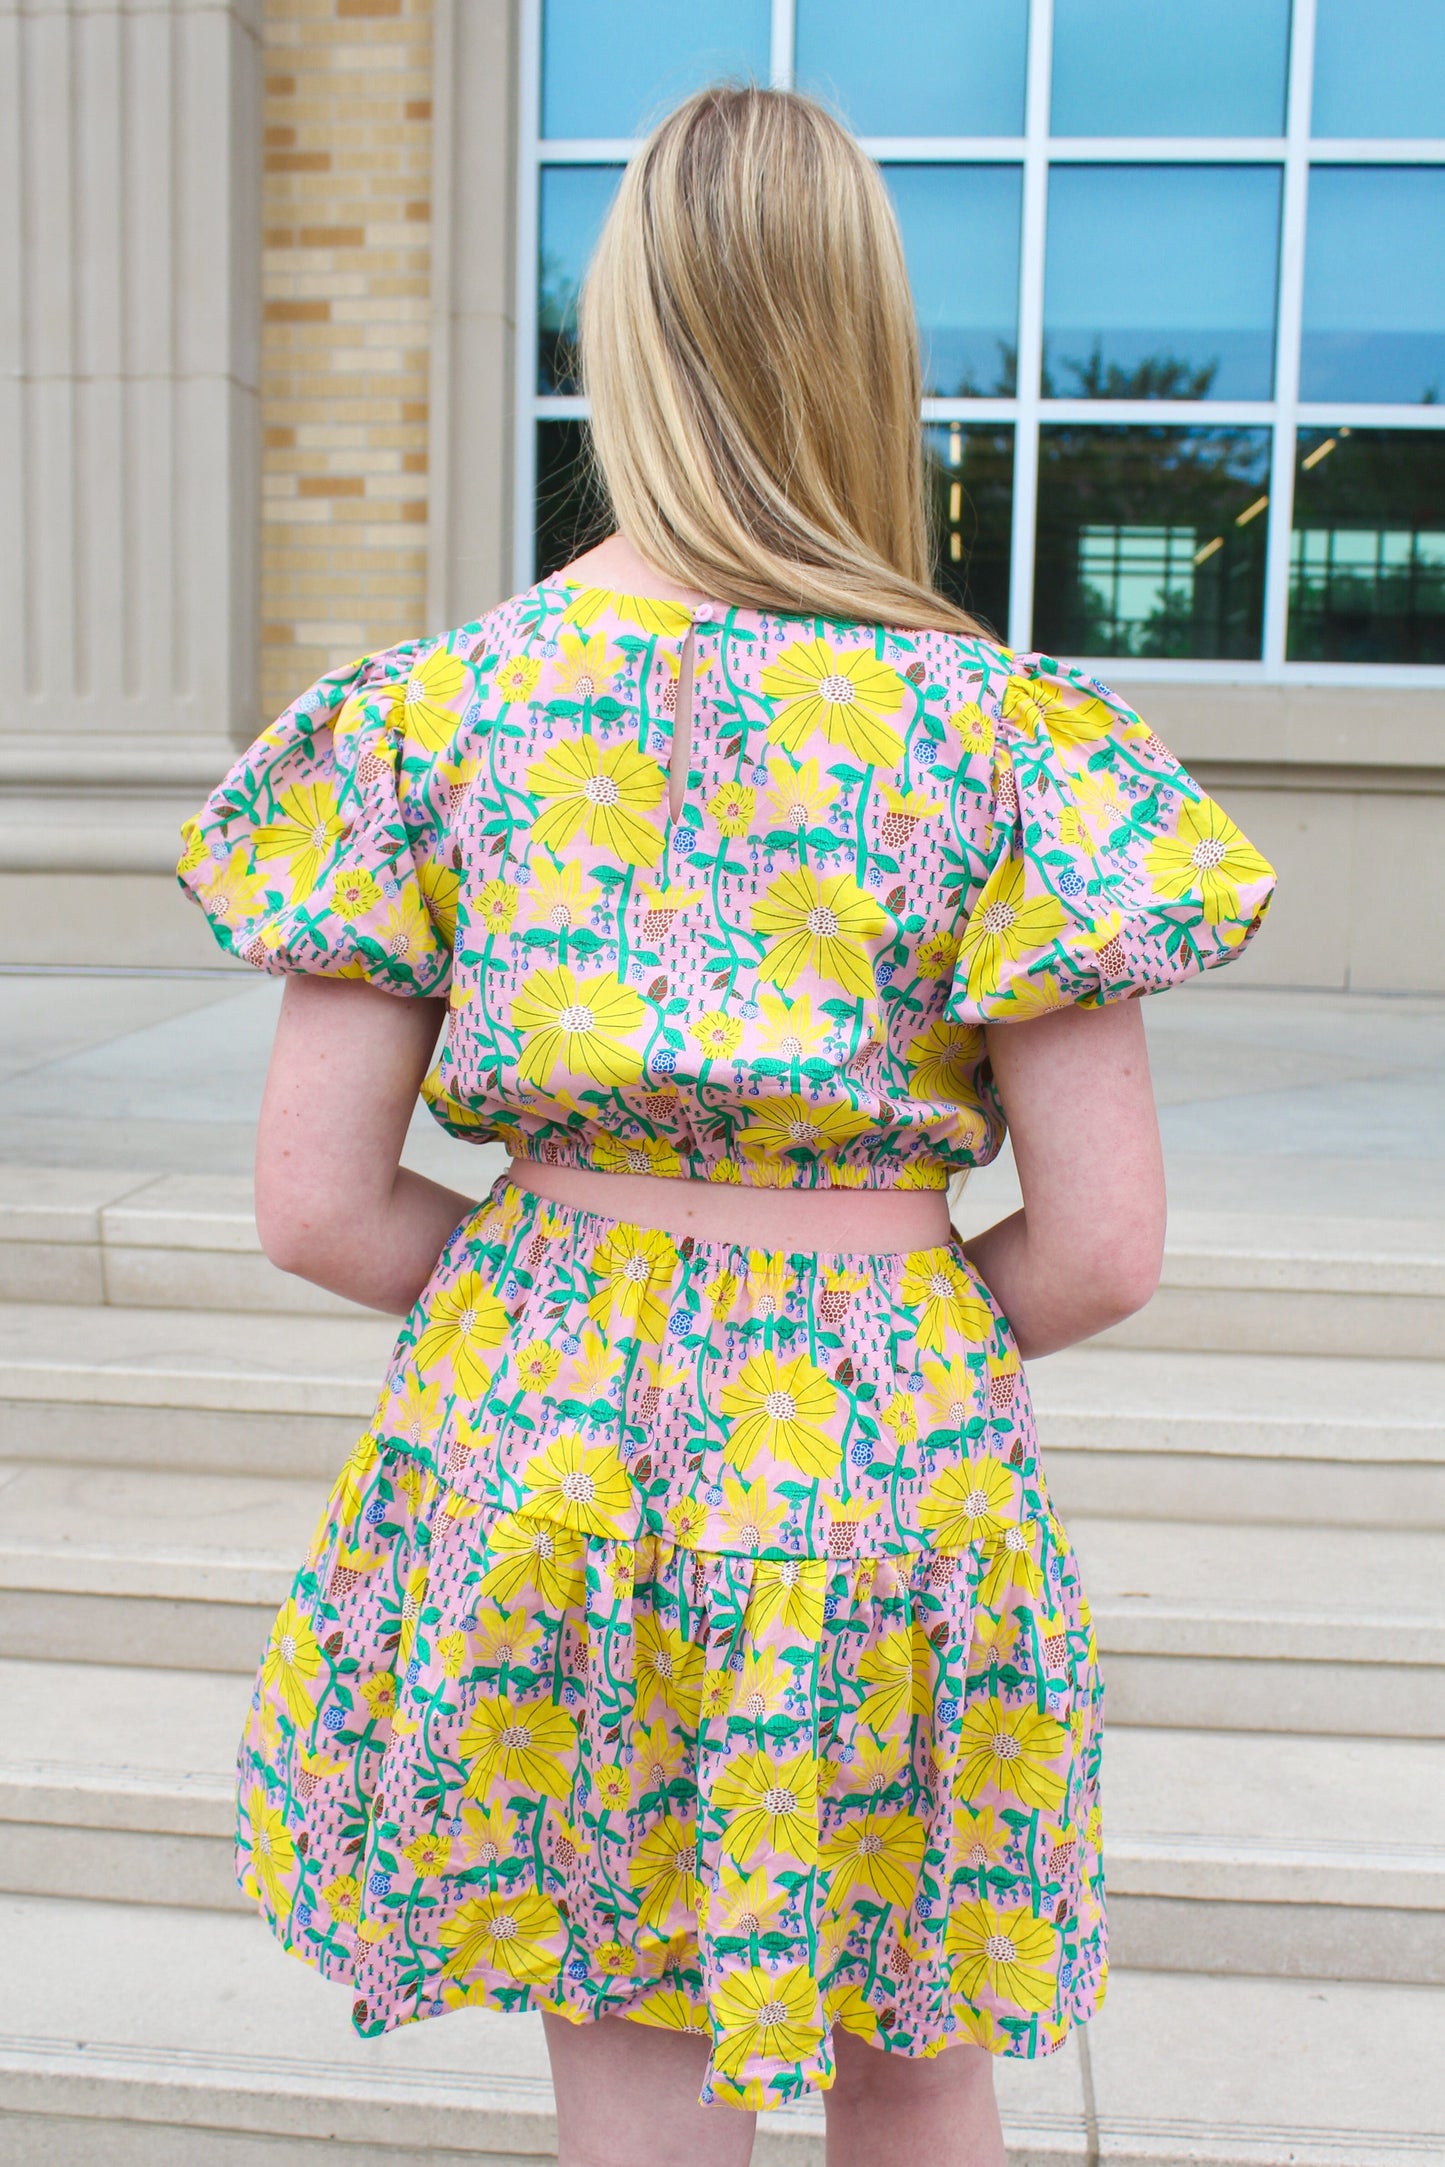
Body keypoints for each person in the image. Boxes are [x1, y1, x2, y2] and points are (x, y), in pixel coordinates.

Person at [177, 83, 1275, 2167]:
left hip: (561, 1454)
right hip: (891, 1457)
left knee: (632, 2039)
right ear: (865, 346)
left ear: (625, 343)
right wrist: (868, 1334)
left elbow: (316, 1206)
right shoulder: (1002, 735)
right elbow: (1106, 1241)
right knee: (914, 2038)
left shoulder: (440, 716)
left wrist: (568, 1306)